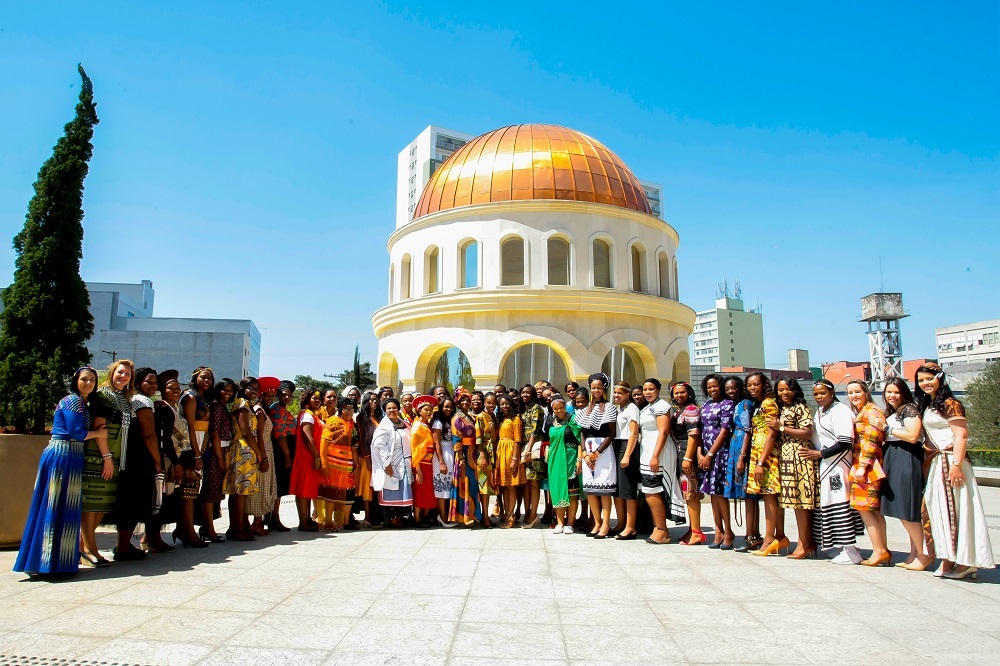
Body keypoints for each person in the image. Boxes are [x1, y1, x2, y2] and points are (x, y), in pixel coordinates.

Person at [15, 367, 107, 574]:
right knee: (55, 506)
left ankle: (54, 563)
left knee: (62, 507)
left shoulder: (82, 403)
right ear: (76, 381)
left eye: (92, 380)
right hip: (62, 455)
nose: (89, 383)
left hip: (70, 456)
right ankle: (49, 564)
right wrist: (98, 434)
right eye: (84, 379)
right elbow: (75, 432)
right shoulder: (72, 400)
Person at [915, 363, 995, 579]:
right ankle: (948, 558)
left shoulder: (951, 404)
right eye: (921, 380)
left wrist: (957, 466)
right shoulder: (931, 404)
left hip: (950, 461)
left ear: (940, 377)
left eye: (929, 378)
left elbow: (961, 435)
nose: (925, 383)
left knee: (956, 509)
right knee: (939, 511)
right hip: (936, 463)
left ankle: (965, 561)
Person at [80, 360, 133, 565]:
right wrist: (106, 458)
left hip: (117, 456)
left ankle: (82, 547)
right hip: (100, 455)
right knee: (92, 504)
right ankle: (91, 551)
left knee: (103, 504)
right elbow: (99, 428)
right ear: (112, 373)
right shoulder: (103, 396)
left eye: (127, 374)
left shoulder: (124, 398)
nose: (123, 376)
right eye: (120, 372)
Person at [110, 365, 163, 561]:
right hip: (140, 457)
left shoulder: (128, 398)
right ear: (138, 382)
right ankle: (123, 547)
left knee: (127, 501)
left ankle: (123, 545)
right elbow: (149, 434)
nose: (152, 385)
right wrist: (157, 462)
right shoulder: (141, 400)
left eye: (155, 382)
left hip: (128, 456)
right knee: (132, 502)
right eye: (148, 381)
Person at [881, 378, 932, 570]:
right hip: (894, 456)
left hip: (906, 457)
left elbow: (912, 436)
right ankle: (915, 553)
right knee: (905, 509)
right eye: (888, 392)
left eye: (896, 392)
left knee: (907, 508)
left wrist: (886, 428)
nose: (892, 395)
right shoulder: (895, 411)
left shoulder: (909, 409)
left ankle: (923, 554)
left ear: (903, 393)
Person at [155, 369, 203, 549]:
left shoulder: (174, 408)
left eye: (177, 387)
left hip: (180, 457)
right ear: (162, 390)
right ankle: (150, 537)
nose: (176, 391)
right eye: (171, 388)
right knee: (162, 497)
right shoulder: (161, 407)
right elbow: (165, 438)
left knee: (172, 498)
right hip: (169, 459)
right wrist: (175, 463)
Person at [846, 379, 889, 566]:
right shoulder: (865, 411)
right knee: (875, 511)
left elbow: (871, 442)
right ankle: (882, 549)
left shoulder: (871, 412)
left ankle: (879, 550)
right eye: (850, 393)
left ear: (866, 392)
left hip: (867, 468)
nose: (854, 396)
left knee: (865, 510)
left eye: (857, 391)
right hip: (868, 466)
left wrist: (862, 467)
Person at [771, 377, 815, 559]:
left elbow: (807, 432)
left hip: (800, 456)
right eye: (780, 390)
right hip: (786, 457)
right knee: (795, 502)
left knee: (802, 502)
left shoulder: (800, 408)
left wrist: (781, 428)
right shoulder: (781, 408)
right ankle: (805, 541)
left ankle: (805, 543)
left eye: (787, 389)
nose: (784, 393)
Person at [745, 372, 788, 556]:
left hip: (767, 455)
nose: (752, 388)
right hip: (759, 453)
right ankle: (779, 536)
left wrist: (761, 461)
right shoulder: (759, 404)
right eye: (749, 385)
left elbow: (772, 433)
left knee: (770, 497)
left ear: (764, 385)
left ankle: (770, 539)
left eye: (756, 384)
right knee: (769, 497)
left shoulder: (769, 404)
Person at [639, 379, 684, 544]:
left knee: (653, 489)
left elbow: (664, 432)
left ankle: (662, 529)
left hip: (659, 452)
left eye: (651, 389)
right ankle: (657, 527)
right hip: (647, 451)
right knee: (649, 490)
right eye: (645, 389)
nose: (647, 392)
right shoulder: (647, 407)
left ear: (658, 390)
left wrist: (655, 455)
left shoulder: (662, 406)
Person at [575, 373, 618, 538]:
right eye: (594, 388)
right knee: (591, 489)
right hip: (588, 450)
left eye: (599, 387)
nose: (596, 390)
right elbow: (582, 433)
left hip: (604, 450)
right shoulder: (586, 410)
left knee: (604, 489)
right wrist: (585, 453)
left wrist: (597, 452)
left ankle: (606, 524)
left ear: (604, 388)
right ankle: (597, 522)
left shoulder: (609, 408)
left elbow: (612, 433)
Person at [723, 377, 761, 553]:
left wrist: (742, 457)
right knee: (744, 495)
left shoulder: (745, 404)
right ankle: (753, 535)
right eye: (728, 389)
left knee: (748, 495)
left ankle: (751, 535)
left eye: (733, 388)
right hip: (734, 446)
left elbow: (748, 430)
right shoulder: (736, 404)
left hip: (742, 448)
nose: (731, 391)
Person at [699, 374, 735, 549]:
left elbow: (724, 430)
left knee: (720, 493)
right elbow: (700, 428)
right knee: (712, 494)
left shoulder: (727, 404)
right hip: (706, 453)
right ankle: (718, 530)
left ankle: (728, 531)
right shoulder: (706, 405)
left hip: (719, 453)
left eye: (715, 386)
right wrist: (700, 453)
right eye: (709, 387)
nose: (712, 389)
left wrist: (711, 454)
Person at [226, 377, 264, 542]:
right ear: (242, 388)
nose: (255, 391)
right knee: (240, 492)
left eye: (257, 388)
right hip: (243, 448)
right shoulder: (242, 405)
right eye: (251, 388)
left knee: (239, 492)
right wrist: (259, 453)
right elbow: (246, 431)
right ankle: (238, 528)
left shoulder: (246, 405)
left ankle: (238, 526)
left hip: (245, 448)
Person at [201, 378, 237, 542]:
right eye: (225, 390)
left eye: (230, 391)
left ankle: (208, 526)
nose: (228, 393)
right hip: (217, 452)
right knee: (211, 491)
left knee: (217, 492)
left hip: (225, 451)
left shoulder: (223, 407)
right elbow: (214, 433)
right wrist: (221, 459)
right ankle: (209, 528)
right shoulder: (216, 406)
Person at [371, 397, 413, 527]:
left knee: (402, 490)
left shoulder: (403, 422)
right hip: (391, 462)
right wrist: (386, 464)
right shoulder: (384, 425)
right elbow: (379, 445)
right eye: (389, 408)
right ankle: (392, 518)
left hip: (405, 462)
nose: (392, 410)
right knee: (391, 490)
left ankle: (402, 517)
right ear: (385, 410)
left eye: (394, 407)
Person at [318, 397, 358, 530]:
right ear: (340, 409)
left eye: (351, 409)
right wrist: (324, 463)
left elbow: (354, 446)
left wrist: (355, 465)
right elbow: (324, 443)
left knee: (340, 493)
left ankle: (337, 521)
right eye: (346, 408)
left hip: (346, 464)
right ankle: (327, 521)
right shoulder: (333, 422)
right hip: (332, 462)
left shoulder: (352, 425)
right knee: (330, 491)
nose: (349, 411)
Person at [670, 381, 703, 545]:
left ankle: (696, 531)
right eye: (676, 393)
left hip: (686, 454)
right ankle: (692, 529)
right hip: (680, 452)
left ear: (689, 393)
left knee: (691, 493)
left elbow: (694, 435)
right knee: (686, 492)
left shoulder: (691, 410)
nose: (679, 395)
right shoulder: (679, 411)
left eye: (682, 392)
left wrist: (688, 458)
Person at [545, 395, 582, 534]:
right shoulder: (551, 422)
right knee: (557, 489)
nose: (559, 410)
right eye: (556, 409)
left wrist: (579, 460)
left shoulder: (573, 419)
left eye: (561, 407)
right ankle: (560, 522)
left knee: (572, 493)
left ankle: (570, 523)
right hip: (556, 460)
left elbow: (580, 440)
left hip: (571, 458)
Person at [248, 377, 279, 536]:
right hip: (263, 449)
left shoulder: (265, 410)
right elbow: (258, 435)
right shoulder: (259, 411)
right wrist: (263, 457)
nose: (270, 399)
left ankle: (258, 521)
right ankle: (257, 522)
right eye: (267, 395)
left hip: (267, 448)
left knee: (265, 486)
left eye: (272, 396)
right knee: (261, 486)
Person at [289, 389, 323, 531]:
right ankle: (303, 522)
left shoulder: (311, 415)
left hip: (310, 456)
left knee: (308, 489)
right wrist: (316, 456)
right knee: (302, 490)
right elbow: (307, 438)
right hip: (306, 457)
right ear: (307, 399)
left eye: (319, 398)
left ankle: (307, 519)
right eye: (314, 398)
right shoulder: (307, 416)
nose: (317, 400)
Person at [611, 381, 640, 540]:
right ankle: (621, 523)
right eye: (615, 393)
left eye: (619, 393)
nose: (616, 396)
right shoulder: (617, 409)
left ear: (627, 394)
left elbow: (634, 433)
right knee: (618, 489)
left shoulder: (632, 408)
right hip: (616, 445)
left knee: (628, 489)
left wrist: (627, 455)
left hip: (626, 446)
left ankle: (631, 527)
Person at [267, 380, 296, 532]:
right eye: (284, 395)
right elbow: (280, 434)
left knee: (280, 484)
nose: (287, 398)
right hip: (280, 450)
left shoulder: (283, 408)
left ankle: (272, 516)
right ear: (278, 394)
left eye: (289, 395)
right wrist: (287, 455)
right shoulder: (277, 409)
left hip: (285, 448)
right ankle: (274, 517)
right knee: (278, 485)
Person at [451, 390, 481, 526]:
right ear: (457, 402)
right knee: (464, 485)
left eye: (467, 400)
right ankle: (463, 516)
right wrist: (461, 457)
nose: (465, 403)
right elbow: (456, 439)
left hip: (472, 454)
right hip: (463, 454)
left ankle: (473, 514)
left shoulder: (470, 416)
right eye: (462, 400)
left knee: (473, 485)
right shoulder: (457, 418)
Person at [495, 394, 525, 528]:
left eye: (506, 403)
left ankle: (511, 514)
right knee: (505, 486)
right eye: (502, 404)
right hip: (501, 452)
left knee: (511, 486)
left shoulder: (516, 419)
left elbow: (518, 440)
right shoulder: (501, 418)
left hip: (510, 453)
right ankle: (506, 513)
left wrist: (514, 459)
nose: (504, 406)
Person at [520, 385, 547, 528]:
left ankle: (533, 513)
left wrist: (528, 449)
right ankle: (527, 511)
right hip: (524, 448)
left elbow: (535, 430)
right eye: (523, 392)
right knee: (526, 482)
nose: (525, 395)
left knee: (534, 482)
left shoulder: (537, 408)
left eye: (528, 392)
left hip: (533, 448)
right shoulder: (523, 409)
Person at [409, 394, 438, 526]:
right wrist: (418, 469)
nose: (428, 412)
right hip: (421, 463)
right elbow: (415, 450)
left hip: (430, 463)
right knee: (419, 492)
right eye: (425, 410)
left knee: (429, 492)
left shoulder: (428, 425)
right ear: (419, 411)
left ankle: (424, 517)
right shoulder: (417, 427)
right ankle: (417, 519)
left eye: (430, 410)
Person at [355, 390, 383, 528]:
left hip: (380, 458)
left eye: (376, 400)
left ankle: (377, 516)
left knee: (377, 488)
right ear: (365, 401)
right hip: (367, 458)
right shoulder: (361, 418)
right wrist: (367, 459)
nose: (374, 402)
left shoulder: (380, 418)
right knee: (368, 488)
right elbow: (363, 439)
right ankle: (367, 517)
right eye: (371, 400)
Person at [431, 397, 458, 527]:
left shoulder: (452, 421)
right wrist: (441, 462)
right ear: (441, 408)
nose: (449, 409)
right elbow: (436, 443)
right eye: (446, 407)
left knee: (449, 487)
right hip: (442, 454)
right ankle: (442, 517)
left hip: (452, 454)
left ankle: (447, 515)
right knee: (441, 488)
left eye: (451, 407)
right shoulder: (438, 422)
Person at [473, 391, 498, 528]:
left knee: (490, 486)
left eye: (494, 403)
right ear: (484, 403)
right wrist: (482, 455)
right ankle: (485, 516)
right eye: (488, 403)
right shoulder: (481, 417)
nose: (491, 405)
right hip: (484, 454)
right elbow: (478, 438)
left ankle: (488, 514)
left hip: (493, 453)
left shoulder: (493, 416)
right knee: (484, 486)